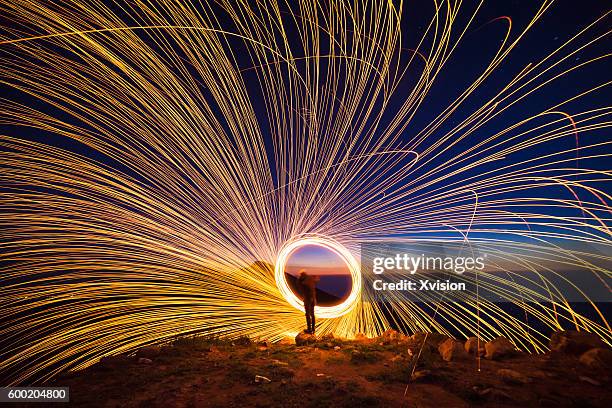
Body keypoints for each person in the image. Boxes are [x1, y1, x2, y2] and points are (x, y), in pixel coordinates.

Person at [298, 270, 319, 334]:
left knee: (307, 314)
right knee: (312, 314)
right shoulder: (310, 279)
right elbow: (315, 281)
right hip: (312, 299)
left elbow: (301, 284)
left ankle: (309, 329)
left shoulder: (305, 281)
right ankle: (313, 329)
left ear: (302, 275)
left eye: (301, 275)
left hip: (308, 299)